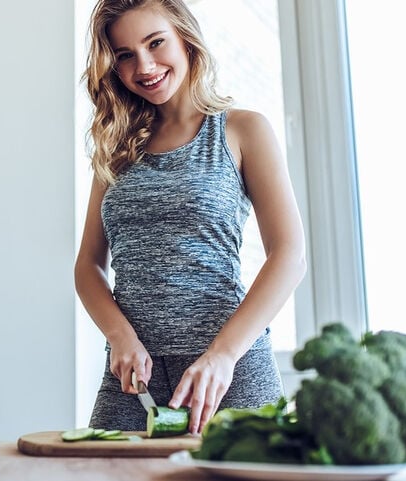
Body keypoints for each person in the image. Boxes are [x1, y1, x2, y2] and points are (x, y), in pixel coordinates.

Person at [75, 0, 307, 434]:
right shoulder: (114, 151)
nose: (144, 65)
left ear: (186, 38)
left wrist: (223, 355)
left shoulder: (242, 130)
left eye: (155, 42)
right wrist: (119, 337)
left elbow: (289, 254)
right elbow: (88, 266)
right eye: (125, 55)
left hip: (227, 370)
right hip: (133, 379)